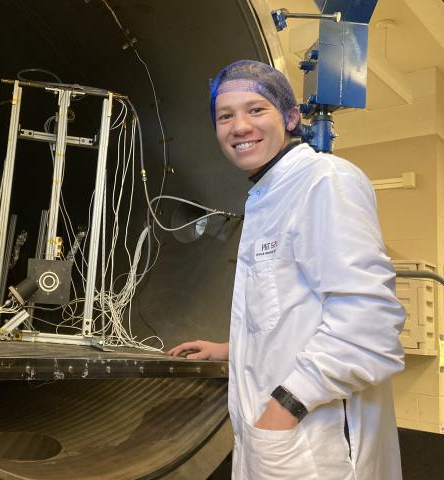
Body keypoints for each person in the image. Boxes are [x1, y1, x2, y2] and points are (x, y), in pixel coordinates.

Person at [168, 60, 405, 479]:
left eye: (256, 110)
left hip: (314, 441)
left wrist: (285, 407)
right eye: (226, 116)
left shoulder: (323, 181)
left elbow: (369, 325)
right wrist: (230, 349)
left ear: (292, 117)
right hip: (278, 438)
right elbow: (292, 313)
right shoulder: (267, 195)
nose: (239, 126)